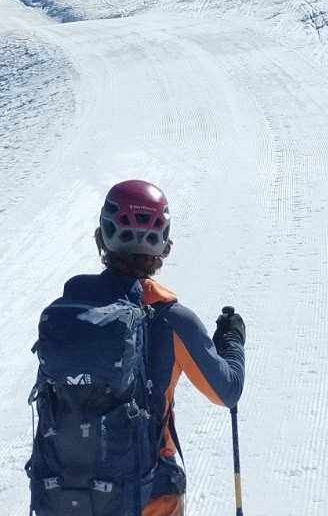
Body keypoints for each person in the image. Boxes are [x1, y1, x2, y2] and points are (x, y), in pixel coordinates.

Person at [27, 179, 245, 516]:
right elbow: (227, 392)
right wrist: (232, 341)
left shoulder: (68, 313)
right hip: (149, 494)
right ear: (164, 245)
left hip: (67, 492)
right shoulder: (173, 319)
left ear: (102, 235)